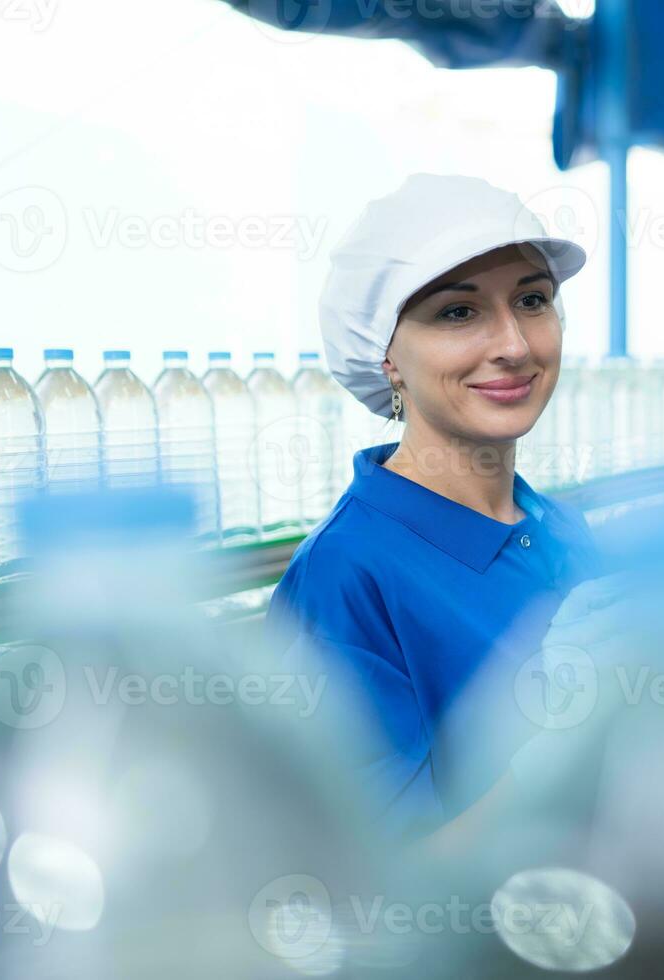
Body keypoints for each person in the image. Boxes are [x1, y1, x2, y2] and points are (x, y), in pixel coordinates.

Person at [265, 174, 599, 837]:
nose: (514, 345)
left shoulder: (558, 526)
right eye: (458, 312)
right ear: (386, 356)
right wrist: (558, 759)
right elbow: (374, 891)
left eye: (532, 300)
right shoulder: (344, 580)